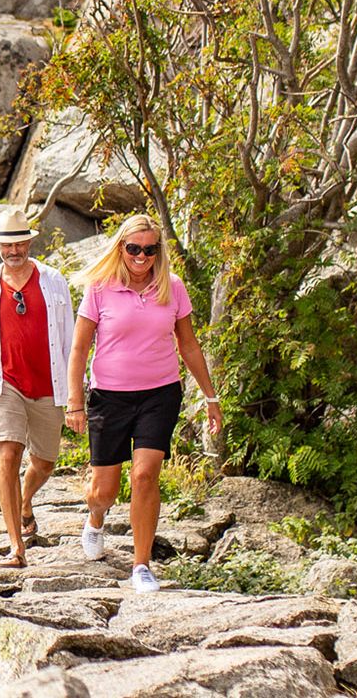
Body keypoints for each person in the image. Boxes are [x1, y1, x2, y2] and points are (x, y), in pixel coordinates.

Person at [65, 214, 223, 592]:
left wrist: (211, 396)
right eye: (134, 248)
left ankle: (141, 565)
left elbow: (188, 345)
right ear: (121, 248)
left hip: (159, 394)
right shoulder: (101, 288)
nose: (141, 256)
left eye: (149, 250)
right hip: (109, 397)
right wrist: (75, 401)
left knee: (144, 475)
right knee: (104, 490)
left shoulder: (172, 287)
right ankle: (96, 518)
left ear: (158, 251)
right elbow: (79, 346)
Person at [0, 208, 74, 568]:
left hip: (48, 383)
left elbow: (70, 336)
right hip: (2, 380)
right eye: (7, 245)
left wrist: (76, 390)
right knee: (8, 454)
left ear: (28, 243)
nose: (14, 250)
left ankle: (25, 501)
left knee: (44, 461)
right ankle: (16, 547)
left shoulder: (54, 282)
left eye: (20, 243)